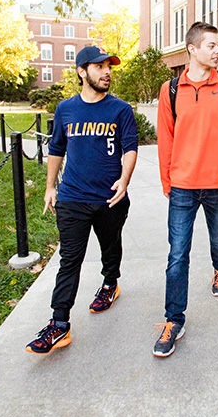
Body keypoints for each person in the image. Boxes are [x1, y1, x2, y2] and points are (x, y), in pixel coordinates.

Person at [26, 45, 138, 355]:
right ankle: (59, 324)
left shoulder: (120, 109)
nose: (107, 72)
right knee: (69, 261)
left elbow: (130, 147)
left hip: (109, 198)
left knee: (110, 247)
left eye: (109, 66)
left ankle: (109, 283)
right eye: (99, 66)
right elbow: (56, 150)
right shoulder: (65, 109)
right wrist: (50, 187)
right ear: (81, 71)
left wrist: (124, 180)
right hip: (72, 197)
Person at [153, 22, 218, 357]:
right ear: (192, 50)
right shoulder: (170, 90)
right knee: (177, 254)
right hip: (182, 185)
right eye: (211, 45)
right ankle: (173, 319)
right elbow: (165, 138)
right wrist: (167, 180)